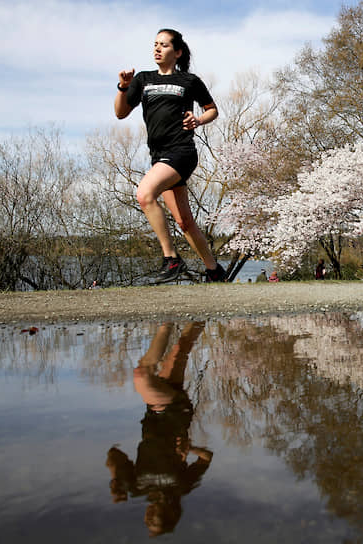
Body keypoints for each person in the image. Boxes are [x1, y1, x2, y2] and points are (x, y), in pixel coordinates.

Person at [114, 29, 225, 284]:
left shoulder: (189, 81)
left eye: (163, 45)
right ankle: (214, 271)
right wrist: (123, 87)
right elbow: (120, 113)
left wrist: (198, 119)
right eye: (155, 44)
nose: (157, 49)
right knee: (184, 222)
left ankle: (171, 258)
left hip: (182, 152)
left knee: (144, 194)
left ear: (177, 52)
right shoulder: (142, 80)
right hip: (160, 156)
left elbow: (212, 110)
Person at [105, 322, 213, 537]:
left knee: (180, 348)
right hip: (176, 413)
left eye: (149, 520)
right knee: (142, 375)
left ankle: (202, 314)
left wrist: (115, 478)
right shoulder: (182, 486)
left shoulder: (137, 488)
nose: (150, 515)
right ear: (171, 513)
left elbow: (113, 453)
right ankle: (166, 323)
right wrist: (190, 448)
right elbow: (207, 457)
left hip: (156, 410)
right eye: (157, 520)